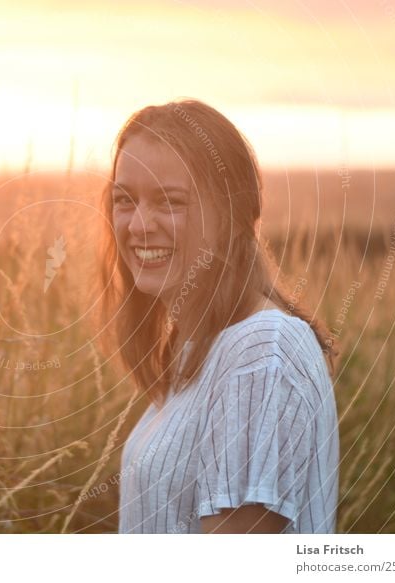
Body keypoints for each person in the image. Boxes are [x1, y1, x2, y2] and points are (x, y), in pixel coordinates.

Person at [97, 99, 340, 533]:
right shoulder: (197, 351)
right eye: (124, 200)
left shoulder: (263, 353)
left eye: (170, 201)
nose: (138, 225)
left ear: (229, 217)